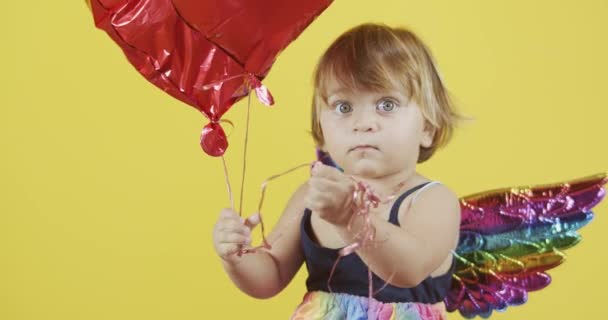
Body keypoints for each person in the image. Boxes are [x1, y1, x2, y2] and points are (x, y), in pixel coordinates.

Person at [212, 23, 467, 319]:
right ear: (321, 131)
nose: (363, 123)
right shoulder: (312, 195)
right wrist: (236, 258)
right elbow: (271, 274)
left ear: (427, 129)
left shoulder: (431, 201)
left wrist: (351, 219)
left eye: (386, 104)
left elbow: (408, 269)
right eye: (344, 107)